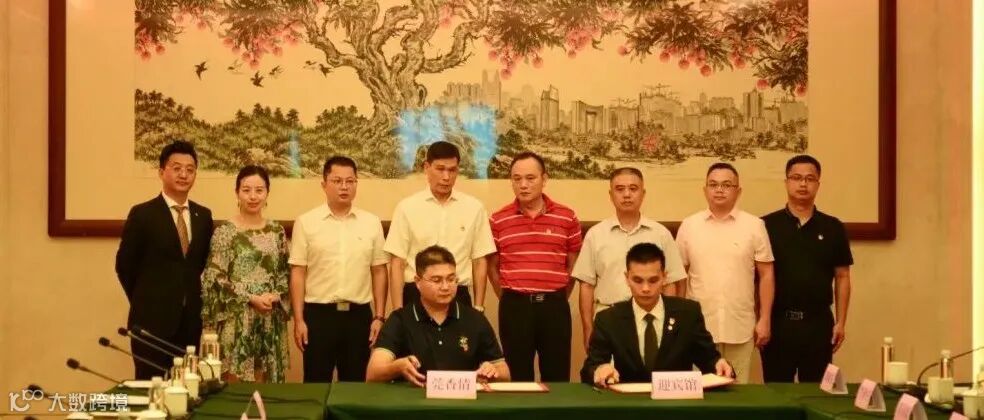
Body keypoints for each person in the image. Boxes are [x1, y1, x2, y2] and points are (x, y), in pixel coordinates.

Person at [116, 140, 214, 379]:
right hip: (150, 323)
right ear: (161, 172)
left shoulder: (203, 216)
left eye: (190, 169)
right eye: (176, 168)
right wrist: (146, 300)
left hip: (190, 322)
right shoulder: (142, 214)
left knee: (186, 385)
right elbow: (124, 266)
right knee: (152, 388)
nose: (184, 175)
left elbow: (199, 264)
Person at [289, 156, 389, 382]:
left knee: (355, 385)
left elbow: (379, 271)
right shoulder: (306, 222)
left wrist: (379, 317)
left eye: (350, 181)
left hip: (358, 316)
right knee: (316, 383)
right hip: (318, 316)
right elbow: (298, 272)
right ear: (324, 184)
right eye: (337, 181)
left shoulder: (371, 222)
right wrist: (299, 320)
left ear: (356, 184)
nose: (344, 187)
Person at [675, 162, 775, 384]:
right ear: (705, 190)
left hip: (740, 325)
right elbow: (678, 276)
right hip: (698, 328)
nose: (719, 190)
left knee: (738, 393)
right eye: (713, 185)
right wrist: (677, 318)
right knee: (700, 393)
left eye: (726, 185)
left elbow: (766, 275)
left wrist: (765, 319)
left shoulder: (755, 225)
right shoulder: (689, 226)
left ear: (738, 191)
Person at [581, 243, 733, 386]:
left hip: (677, 401)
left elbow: (709, 359)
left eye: (653, 280)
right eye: (638, 280)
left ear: (664, 277)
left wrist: (719, 364)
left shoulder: (688, 313)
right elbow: (590, 368)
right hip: (629, 401)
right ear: (627, 278)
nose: (646, 288)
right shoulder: (609, 319)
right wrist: (598, 371)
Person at [488, 152, 582, 382]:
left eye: (530, 178)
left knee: (557, 377)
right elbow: (492, 267)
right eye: (517, 179)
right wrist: (510, 296)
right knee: (517, 377)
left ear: (544, 179)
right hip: (514, 307)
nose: (523, 185)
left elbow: (573, 265)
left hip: (554, 306)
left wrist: (558, 295)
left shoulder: (567, 217)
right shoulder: (498, 219)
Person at [761, 155, 854, 382]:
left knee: (816, 391)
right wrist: (761, 319)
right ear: (786, 182)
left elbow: (842, 276)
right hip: (778, 323)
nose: (803, 184)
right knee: (777, 392)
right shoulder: (765, 225)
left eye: (810, 179)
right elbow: (758, 278)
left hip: (818, 323)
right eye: (796, 178)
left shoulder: (833, 227)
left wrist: (841, 322)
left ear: (818, 184)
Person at [572, 167, 687, 350]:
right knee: (607, 368)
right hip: (608, 318)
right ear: (611, 195)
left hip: (652, 320)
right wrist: (588, 328)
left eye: (633, 189)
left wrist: (671, 324)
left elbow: (671, 283)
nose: (627, 195)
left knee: (651, 368)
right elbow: (586, 285)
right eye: (620, 189)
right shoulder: (595, 235)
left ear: (643, 194)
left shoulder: (661, 234)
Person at [366, 246, 510, 386]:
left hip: (462, 400)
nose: (445, 287)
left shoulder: (475, 319)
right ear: (417, 282)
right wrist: (397, 367)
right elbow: (372, 373)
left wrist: (492, 371)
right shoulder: (400, 319)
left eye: (451, 279)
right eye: (436, 280)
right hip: (413, 399)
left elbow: (504, 373)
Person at [201, 165, 289, 382]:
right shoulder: (225, 232)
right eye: (246, 190)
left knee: (265, 385)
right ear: (237, 193)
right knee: (235, 384)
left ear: (267, 193)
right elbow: (214, 277)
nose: (253, 196)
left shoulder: (276, 231)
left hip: (269, 317)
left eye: (259, 190)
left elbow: (284, 273)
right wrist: (249, 298)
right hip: (237, 319)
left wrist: (275, 295)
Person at [384, 141, 496, 311]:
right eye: (440, 169)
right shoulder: (407, 207)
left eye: (452, 170)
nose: (446, 177)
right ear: (426, 168)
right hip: (416, 293)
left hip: (458, 293)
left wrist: (479, 307)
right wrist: (398, 312)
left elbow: (480, 261)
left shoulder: (474, 208)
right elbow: (397, 263)